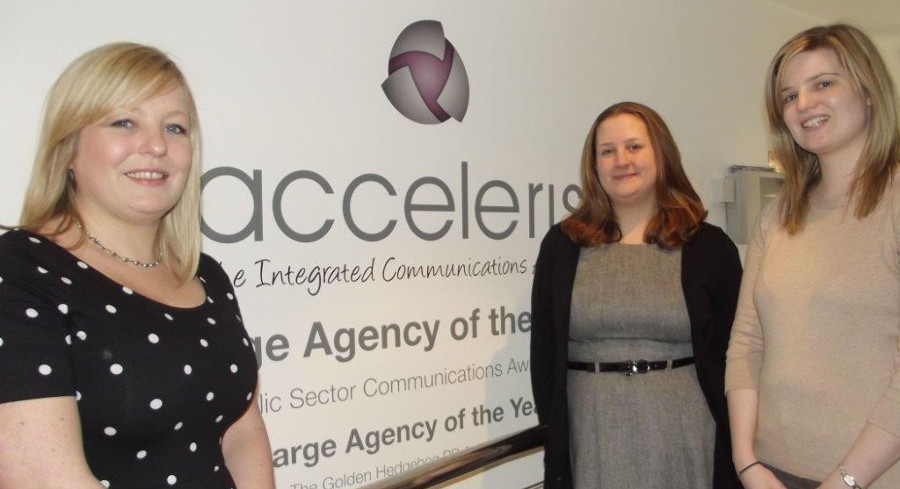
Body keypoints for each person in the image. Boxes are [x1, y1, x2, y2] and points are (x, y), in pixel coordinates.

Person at [0, 43, 276, 489]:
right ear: (67, 147)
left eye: (174, 127)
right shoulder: (20, 270)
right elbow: (43, 478)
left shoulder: (204, 274)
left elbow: (242, 433)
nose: (156, 145)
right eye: (124, 122)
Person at [530, 101, 743, 489]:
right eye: (607, 151)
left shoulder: (710, 247)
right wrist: (558, 435)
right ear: (594, 165)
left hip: (686, 432)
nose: (621, 161)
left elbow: (735, 354)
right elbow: (544, 353)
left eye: (634, 147)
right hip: (589, 435)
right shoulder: (562, 245)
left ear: (661, 154)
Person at [726, 24, 900, 489]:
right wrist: (746, 462)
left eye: (823, 83)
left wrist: (845, 481)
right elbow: (747, 344)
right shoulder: (776, 216)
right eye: (789, 96)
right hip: (772, 472)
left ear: (868, 91)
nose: (804, 104)